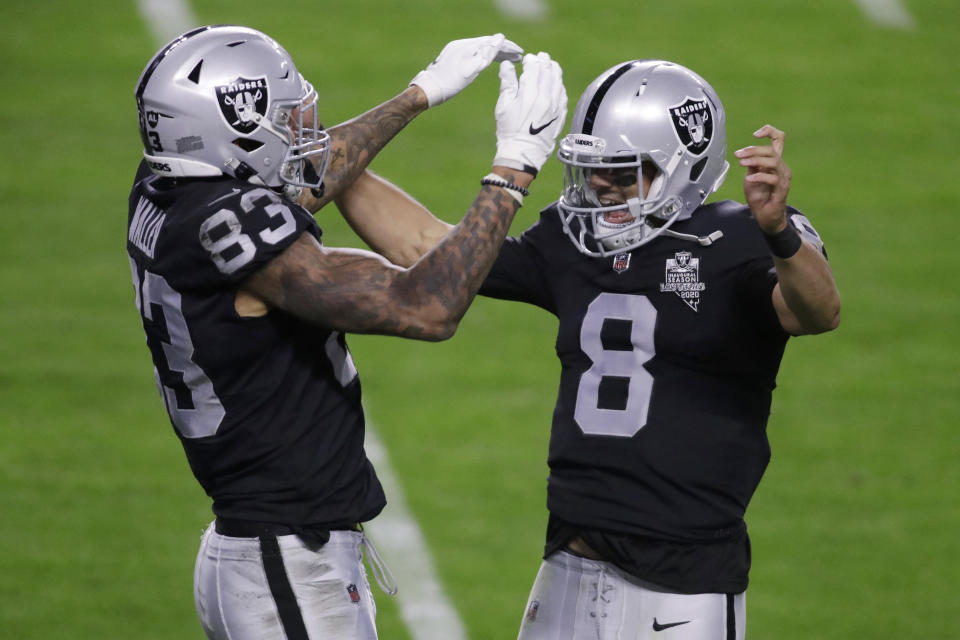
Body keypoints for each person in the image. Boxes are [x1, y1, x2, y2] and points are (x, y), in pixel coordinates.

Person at [337, 59, 841, 639]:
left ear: (682, 167)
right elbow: (428, 246)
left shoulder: (740, 236)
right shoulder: (574, 241)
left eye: (621, 173)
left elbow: (816, 311)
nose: (599, 187)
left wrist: (778, 230)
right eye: (591, 170)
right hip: (568, 564)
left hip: (682, 580)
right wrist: (323, 156)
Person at [126, 24, 566, 640]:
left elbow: (298, 178)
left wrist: (420, 94)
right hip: (283, 560)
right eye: (278, 116)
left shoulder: (169, 189)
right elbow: (426, 306)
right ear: (229, 128)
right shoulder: (235, 230)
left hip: (266, 546)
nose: (299, 127)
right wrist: (512, 170)